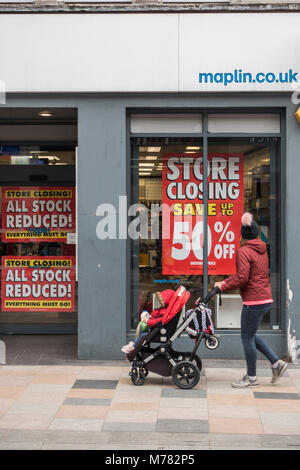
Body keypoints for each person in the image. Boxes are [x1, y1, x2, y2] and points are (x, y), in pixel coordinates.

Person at [214, 212, 288, 389]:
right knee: (251, 335)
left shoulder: (243, 251)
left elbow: (242, 278)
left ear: (243, 235)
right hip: (265, 298)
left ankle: (251, 377)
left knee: (247, 337)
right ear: (256, 234)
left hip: (253, 301)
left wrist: (222, 284)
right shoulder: (262, 249)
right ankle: (276, 364)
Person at [121, 289, 175, 354]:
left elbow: (158, 321)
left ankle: (134, 347)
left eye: (162, 301)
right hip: (156, 330)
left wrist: (147, 321)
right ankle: (134, 345)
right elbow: (155, 318)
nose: (160, 302)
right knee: (142, 334)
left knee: (143, 335)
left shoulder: (166, 312)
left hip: (159, 332)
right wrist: (154, 312)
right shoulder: (164, 309)